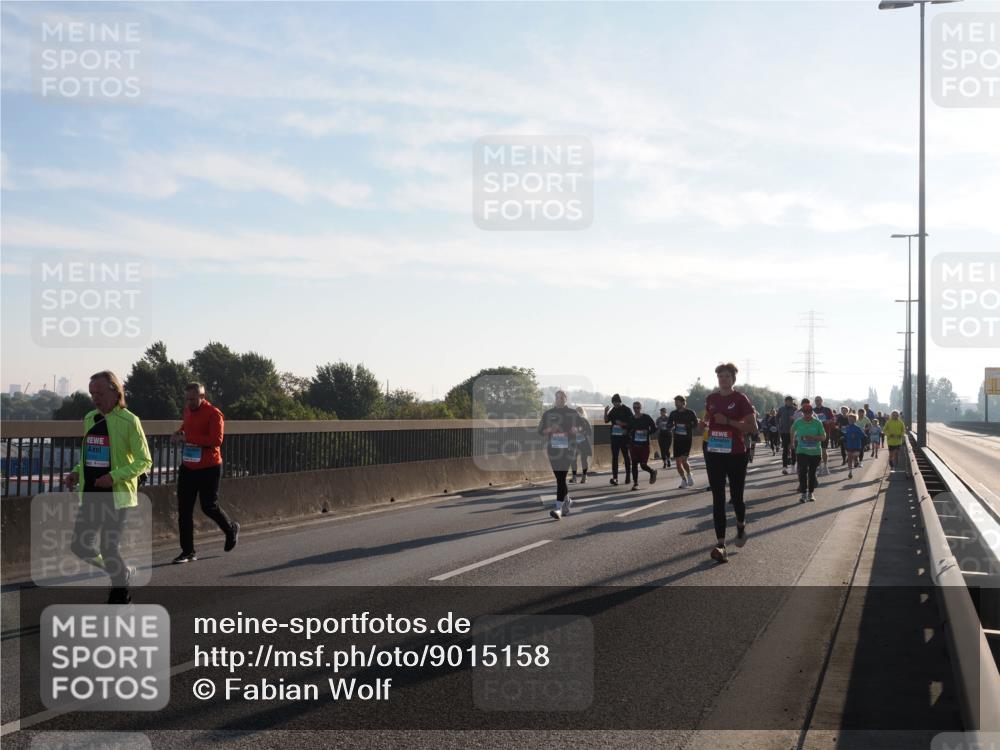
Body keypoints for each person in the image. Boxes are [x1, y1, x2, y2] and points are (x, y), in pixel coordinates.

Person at [63, 371, 152, 604]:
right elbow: (88, 457)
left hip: (117, 495)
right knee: (80, 546)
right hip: (91, 494)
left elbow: (144, 461)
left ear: (115, 391)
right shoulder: (90, 418)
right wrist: (76, 472)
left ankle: (121, 595)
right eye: (92, 393)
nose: (95, 398)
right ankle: (120, 572)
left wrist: (113, 477)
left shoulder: (130, 421)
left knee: (108, 548)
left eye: (100, 393)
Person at [170, 383, 239, 564]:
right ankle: (188, 551)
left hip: (209, 467)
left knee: (209, 506)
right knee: (184, 509)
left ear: (202, 397)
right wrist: (178, 434)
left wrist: (188, 438)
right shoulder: (188, 411)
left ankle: (230, 529)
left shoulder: (214, 413)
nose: (189, 403)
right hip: (188, 466)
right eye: (187, 399)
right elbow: (186, 427)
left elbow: (216, 440)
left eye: (193, 399)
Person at [701, 363, 756, 563]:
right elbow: (708, 418)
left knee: (736, 497)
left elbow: (752, 427)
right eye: (720, 376)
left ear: (733, 379)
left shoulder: (740, 399)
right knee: (718, 498)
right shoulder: (711, 398)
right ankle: (721, 544)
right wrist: (704, 424)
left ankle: (740, 526)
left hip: (736, 454)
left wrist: (728, 422)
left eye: (726, 376)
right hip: (714, 452)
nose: (723, 379)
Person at [539, 390, 582, 519]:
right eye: (558, 398)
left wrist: (576, 429)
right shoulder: (548, 413)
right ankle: (567, 500)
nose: (560, 400)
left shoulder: (573, 413)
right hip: (553, 449)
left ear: (566, 399)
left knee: (561, 477)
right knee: (559, 478)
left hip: (568, 449)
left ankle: (558, 508)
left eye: (562, 398)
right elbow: (540, 431)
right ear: (555, 399)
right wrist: (549, 429)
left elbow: (583, 427)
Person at [791, 403, 825, 502]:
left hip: (815, 452)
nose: (807, 414)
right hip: (802, 451)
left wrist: (813, 438)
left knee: (812, 473)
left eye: (809, 412)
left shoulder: (817, 423)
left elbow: (823, 437)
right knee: (802, 472)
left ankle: (810, 493)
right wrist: (792, 442)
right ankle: (803, 494)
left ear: (812, 412)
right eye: (805, 412)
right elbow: (792, 431)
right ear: (802, 413)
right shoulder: (798, 422)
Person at [668, 395, 699, 488]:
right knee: (678, 463)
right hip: (677, 439)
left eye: (677, 402)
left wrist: (688, 426)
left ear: (683, 403)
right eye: (675, 402)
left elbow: (696, 424)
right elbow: (669, 423)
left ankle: (689, 475)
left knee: (684, 460)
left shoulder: (690, 413)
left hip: (686, 439)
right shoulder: (673, 413)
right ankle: (683, 480)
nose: (676, 404)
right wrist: (670, 426)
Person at [626, 401, 658, 490]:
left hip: (644, 445)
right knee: (634, 464)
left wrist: (647, 432)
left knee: (643, 465)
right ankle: (635, 484)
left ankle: (652, 472)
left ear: (641, 408)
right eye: (634, 408)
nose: (636, 409)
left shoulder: (646, 417)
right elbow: (628, 430)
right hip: (634, 445)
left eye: (638, 408)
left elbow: (655, 428)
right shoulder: (631, 419)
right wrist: (628, 440)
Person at [604, 394, 633, 486]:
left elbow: (632, 423)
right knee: (615, 457)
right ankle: (615, 478)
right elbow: (606, 421)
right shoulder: (613, 410)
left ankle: (628, 476)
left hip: (624, 438)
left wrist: (623, 424)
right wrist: (605, 412)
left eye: (616, 402)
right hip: (615, 437)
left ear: (620, 401)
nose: (615, 404)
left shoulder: (627, 410)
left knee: (626, 456)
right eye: (613, 402)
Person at [570, 406, 593, 483]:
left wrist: (581, 432)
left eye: (579, 411)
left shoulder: (585, 420)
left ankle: (584, 476)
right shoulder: (572, 421)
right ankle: (574, 477)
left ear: (582, 412)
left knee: (583, 459)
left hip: (583, 442)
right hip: (574, 442)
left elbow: (589, 432)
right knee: (573, 460)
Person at [776, 396, 798, 475]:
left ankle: (793, 467)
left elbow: (799, 419)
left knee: (793, 449)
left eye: (791, 401)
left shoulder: (795, 409)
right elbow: (777, 417)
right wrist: (778, 426)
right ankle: (784, 467)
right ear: (785, 401)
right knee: (785, 449)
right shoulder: (781, 409)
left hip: (793, 432)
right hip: (784, 432)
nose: (791, 402)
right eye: (789, 401)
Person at [813, 396, 834, 476]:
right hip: (815, 433)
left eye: (818, 400)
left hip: (825, 432)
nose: (817, 402)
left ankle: (825, 466)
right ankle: (819, 467)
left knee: (824, 450)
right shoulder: (813, 410)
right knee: (817, 450)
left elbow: (833, 419)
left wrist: (828, 421)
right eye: (816, 400)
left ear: (822, 401)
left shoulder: (827, 410)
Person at [841, 414, 865, 479]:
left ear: (855, 420)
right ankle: (850, 472)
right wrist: (843, 437)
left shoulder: (857, 428)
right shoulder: (846, 428)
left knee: (855, 456)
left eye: (852, 419)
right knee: (849, 458)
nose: (850, 421)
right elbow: (845, 435)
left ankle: (856, 460)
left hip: (857, 445)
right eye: (849, 419)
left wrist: (856, 436)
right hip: (849, 445)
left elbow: (863, 435)